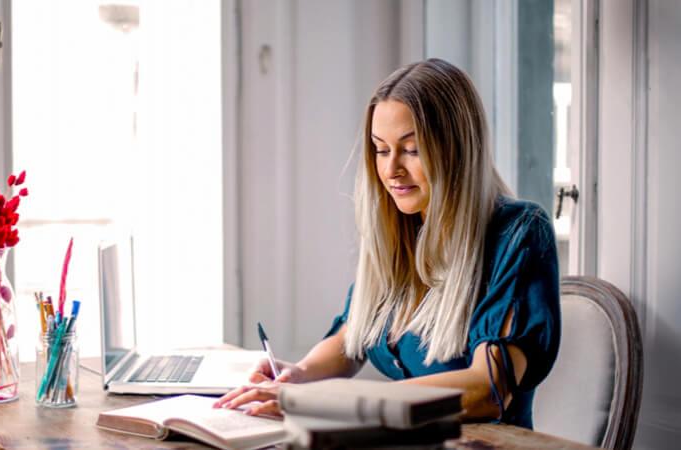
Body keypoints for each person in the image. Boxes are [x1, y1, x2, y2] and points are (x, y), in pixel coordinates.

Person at [213, 58, 560, 429]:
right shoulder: (401, 229)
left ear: (458, 150)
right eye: (381, 149)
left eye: (411, 150)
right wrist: (300, 374)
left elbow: (486, 390)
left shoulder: (519, 234)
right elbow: (353, 337)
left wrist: (326, 402)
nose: (391, 170)